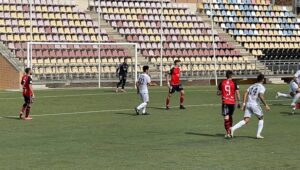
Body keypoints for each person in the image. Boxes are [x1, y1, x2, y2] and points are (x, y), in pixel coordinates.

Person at [231, 74, 270, 139]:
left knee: (246, 120)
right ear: (263, 79)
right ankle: (258, 134)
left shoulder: (252, 86)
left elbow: (245, 93)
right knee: (261, 118)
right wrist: (266, 105)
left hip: (248, 104)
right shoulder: (262, 87)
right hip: (255, 104)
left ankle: (233, 128)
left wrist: (243, 104)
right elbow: (260, 95)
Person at [217, 71, 241, 138]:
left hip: (225, 102)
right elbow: (237, 93)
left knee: (226, 117)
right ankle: (231, 130)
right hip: (232, 102)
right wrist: (239, 102)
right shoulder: (234, 83)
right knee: (230, 116)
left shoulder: (222, 83)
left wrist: (222, 92)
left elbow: (218, 93)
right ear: (231, 76)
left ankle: (228, 132)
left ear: (226, 76)